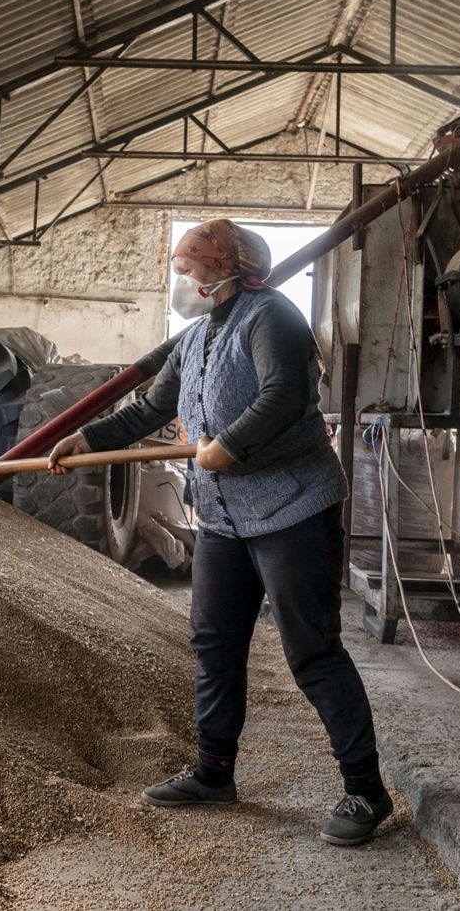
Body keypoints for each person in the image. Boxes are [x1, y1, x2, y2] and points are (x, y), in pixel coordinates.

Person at [46, 219, 390, 847]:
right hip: (225, 517)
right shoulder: (198, 336)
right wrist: (90, 438)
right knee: (214, 642)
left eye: (193, 269)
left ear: (230, 267)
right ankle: (213, 772)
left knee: (312, 651)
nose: (186, 280)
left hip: (293, 507)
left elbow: (286, 394)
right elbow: (152, 407)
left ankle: (365, 790)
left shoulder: (272, 317)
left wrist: (227, 446)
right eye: (182, 270)